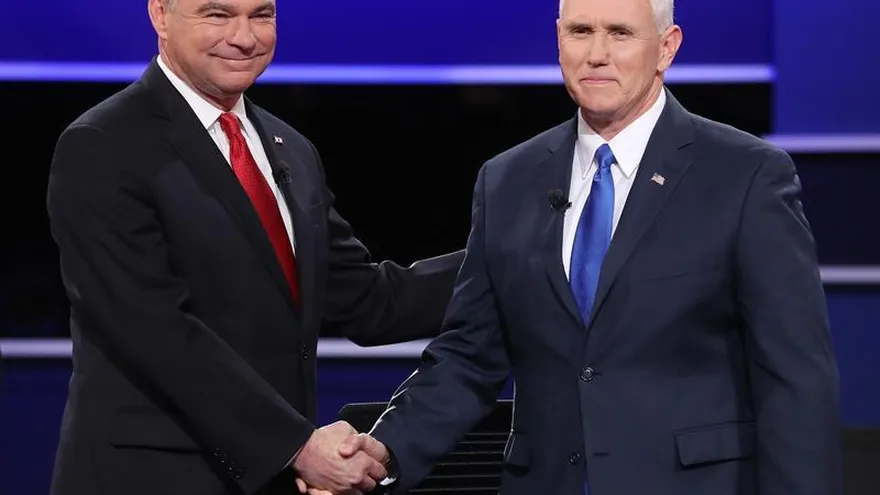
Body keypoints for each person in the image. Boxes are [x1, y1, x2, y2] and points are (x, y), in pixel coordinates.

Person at [320, 0, 842, 493]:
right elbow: (470, 355)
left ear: (667, 47)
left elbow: (795, 379)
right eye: (580, 31)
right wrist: (385, 449)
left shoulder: (745, 175)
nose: (597, 53)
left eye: (620, 33)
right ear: (558, 39)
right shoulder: (507, 180)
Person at [45, 0, 464, 493]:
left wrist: (508, 256)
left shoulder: (290, 148)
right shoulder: (103, 144)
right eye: (217, 15)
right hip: (149, 477)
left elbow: (366, 301)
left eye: (261, 15)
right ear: (159, 14)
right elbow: (151, 328)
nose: (245, 38)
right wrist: (298, 447)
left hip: (268, 481)